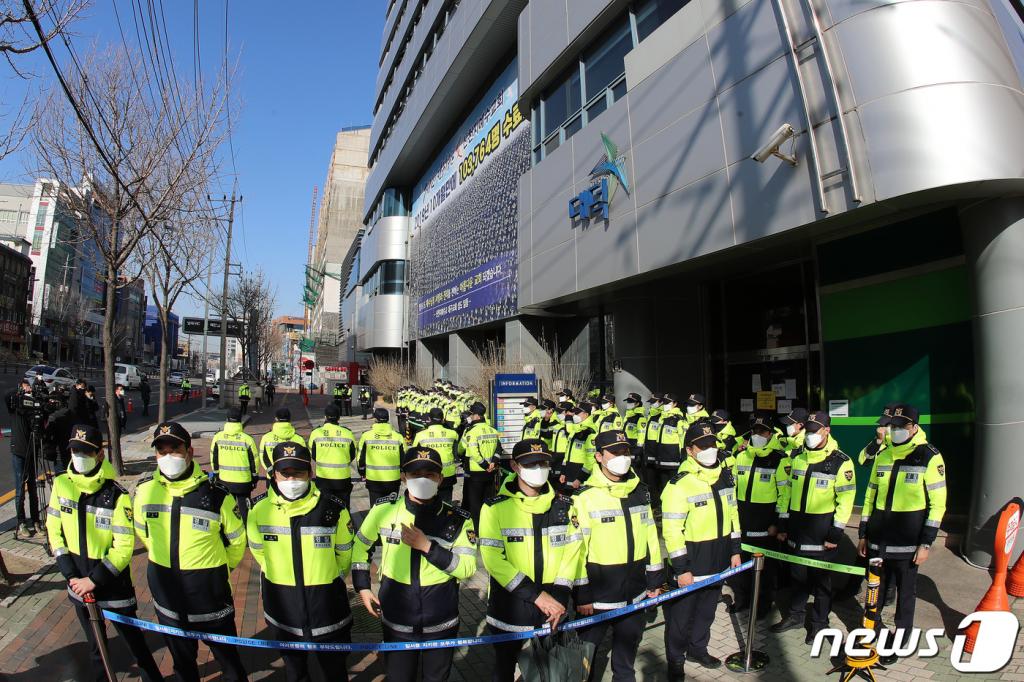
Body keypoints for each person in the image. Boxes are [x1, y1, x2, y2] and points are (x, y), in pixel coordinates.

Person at [46, 424, 162, 682]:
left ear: (100, 454)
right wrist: (71, 575)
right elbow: (54, 529)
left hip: (113, 587)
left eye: (85, 451)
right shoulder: (61, 485)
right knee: (96, 648)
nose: (78, 456)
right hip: (77, 583)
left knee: (136, 646)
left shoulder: (116, 495)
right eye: (75, 450)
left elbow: (123, 546)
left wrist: (94, 580)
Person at [133, 421, 247, 682]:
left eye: (175, 449)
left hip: (210, 596)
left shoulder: (217, 495)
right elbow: (143, 531)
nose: (169, 456)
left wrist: (217, 570)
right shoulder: (144, 490)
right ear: (156, 455)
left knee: (230, 663)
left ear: (189, 452)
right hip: (167, 595)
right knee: (183, 665)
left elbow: (237, 541)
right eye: (162, 451)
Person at [353, 446, 477, 681]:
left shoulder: (458, 520)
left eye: (430, 475)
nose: (422, 480)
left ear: (440, 479)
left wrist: (428, 548)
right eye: (415, 474)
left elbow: (468, 568)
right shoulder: (383, 510)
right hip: (397, 618)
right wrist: (363, 586)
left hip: (441, 621)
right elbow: (360, 546)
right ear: (403, 477)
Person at [478, 439, 585, 682]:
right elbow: (493, 560)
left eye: (543, 463)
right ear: (515, 466)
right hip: (510, 606)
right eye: (531, 463)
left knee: (550, 671)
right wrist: (537, 596)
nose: (538, 469)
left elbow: (573, 550)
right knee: (504, 669)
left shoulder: (565, 505)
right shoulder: (494, 508)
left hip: (554, 607)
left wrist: (559, 595)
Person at [248, 442, 354, 682]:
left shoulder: (333, 508)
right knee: (295, 672)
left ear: (311, 473)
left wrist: (329, 577)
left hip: (327, 607)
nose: (291, 479)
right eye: (285, 473)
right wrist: (277, 572)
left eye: (299, 472)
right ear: (273, 474)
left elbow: (344, 554)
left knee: (335, 672)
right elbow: (258, 550)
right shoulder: (258, 509)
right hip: (282, 606)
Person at [858, 404, 947, 665]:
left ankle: (901, 638)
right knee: (875, 588)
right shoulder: (883, 454)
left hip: (908, 542)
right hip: (878, 539)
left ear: (913, 427)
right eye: (891, 426)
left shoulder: (929, 456)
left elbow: (938, 504)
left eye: (899, 426)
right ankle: (870, 630)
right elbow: (870, 495)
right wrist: (863, 532)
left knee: (905, 594)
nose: (894, 430)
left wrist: (926, 543)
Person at [572, 430, 663, 682]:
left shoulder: (639, 491)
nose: (623, 457)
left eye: (626, 451)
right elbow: (576, 551)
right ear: (599, 456)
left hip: (635, 592)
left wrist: (655, 579)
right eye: (615, 452)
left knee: (626, 656)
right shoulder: (584, 498)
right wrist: (582, 593)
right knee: (584, 658)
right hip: (597, 597)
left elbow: (651, 538)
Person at [661, 421, 742, 680]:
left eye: (712, 444)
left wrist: (735, 551)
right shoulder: (679, 484)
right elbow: (672, 531)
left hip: (718, 560)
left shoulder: (725, 476)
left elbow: (733, 516)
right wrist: (681, 569)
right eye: (702, 446)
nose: (709, 450)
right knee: (680, 618)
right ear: (690, 450)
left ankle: (698, 649)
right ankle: (675, 660)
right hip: (692, 565)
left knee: (707, 612)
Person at [772, 411, 856, 643]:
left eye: (814, 430)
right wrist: (783, 523)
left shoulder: (841, 461)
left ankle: (820, 624)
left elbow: (846, 501)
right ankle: (796, 615)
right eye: (807, 430)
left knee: (821, 582)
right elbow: (787, 491)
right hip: (797, 529)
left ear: (827, 431)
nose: (809, 435)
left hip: (822, 531)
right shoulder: (797, 456)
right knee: (797, 577)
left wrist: (836, 532)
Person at [729, 412, 791, 618]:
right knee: (740, 567)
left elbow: (784, 495)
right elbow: (733, 489)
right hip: (742, 521)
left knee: (766, 570)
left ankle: (763, 605)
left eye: (762, 431)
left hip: (766, 525)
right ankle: (742, 600)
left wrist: (778, 524)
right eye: (754, 430)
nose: (757, 434)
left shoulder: (780, 460)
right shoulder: (741, 456)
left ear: (770, 433)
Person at [210, 407, 259, 525]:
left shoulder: (218, 437)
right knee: (244, 508)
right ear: (241, 419)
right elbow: (254, 461)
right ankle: (247, 533)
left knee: (226, 508)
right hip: (243, 481)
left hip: (224, 480)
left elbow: (214, 459)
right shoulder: (247, 439)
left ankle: (230, 531)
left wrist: (216, 474)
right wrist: (255, 478)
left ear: (227, 419)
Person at [459, 401, 501, 529]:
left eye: (471, 414)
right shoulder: (493, 430)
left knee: (475, 504)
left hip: (476, 473)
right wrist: (492, 463)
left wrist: (484, 465)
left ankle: (477, 530)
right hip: (490, 472)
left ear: (477, 416)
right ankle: (489, 527)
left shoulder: (471, 431)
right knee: (488, 501)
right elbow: (499, 449)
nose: (470, 416)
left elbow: (470, 452)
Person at [7, 378, 40, 537]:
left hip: (32, 451)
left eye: (29, 387)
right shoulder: (15, 405)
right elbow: (7, 395)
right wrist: (20, 392)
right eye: (26, 387)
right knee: (20, 489)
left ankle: (36, 520)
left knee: (33, 488)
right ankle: (21, 522)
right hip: (18, 452)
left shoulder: (32, 407)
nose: (29, 389)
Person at [309, 404, 356, 508]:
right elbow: (352, 454)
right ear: (339, 417)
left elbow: (313, 454)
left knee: (323, 507)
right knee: (343, 507)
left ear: (325, 417)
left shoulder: (316, 433)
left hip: (323, 477)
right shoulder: (347, 433)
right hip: (343, 477)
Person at [412, 407, 460, 504]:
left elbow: (413, 455)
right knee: (446, 504)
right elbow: (457, 452)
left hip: (428, 475)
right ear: (443, 419)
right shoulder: (453, 434)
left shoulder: (420, 435)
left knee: (428, 503)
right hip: (447, 474)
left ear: (429, 419)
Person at [357, 407, 405, 503]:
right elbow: (404, 459)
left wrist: (362, 472)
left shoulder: (366, 436)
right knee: (391, 509)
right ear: (388, 419)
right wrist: (402, 473)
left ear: (375, 419)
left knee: (375, 509)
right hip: (393, 479)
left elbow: (360, 458)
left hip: (373, 478)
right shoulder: (398, 437)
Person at [258, 407, 306, 475]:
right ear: (289, 419)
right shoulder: (299, 439)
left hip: (273, 476)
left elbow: (263, 457)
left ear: (276, 419)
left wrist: (271, 472)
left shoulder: (266, 437)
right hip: (293, 477)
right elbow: (304, 459)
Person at [562, 402, 597, 488]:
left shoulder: (590, 430)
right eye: (575, 413)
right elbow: (568, 451)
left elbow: (591, 457)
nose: (575, 415)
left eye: (578, 413)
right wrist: (563, 472)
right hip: (569, 470)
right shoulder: (576, 428)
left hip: (580, 473)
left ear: (586, 414)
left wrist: (580, 478)